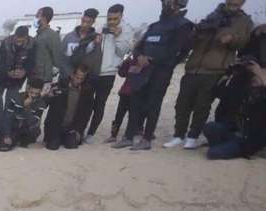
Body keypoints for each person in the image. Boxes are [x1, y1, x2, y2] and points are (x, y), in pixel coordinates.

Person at [166, 0, 253, 149]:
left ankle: (193, 136)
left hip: (215, 70)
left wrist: (231, 39)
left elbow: (243, 43)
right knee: (182, 104)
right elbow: (193, 40)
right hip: (193, 67)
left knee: (202, 105)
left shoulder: (244, 21)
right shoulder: (213, 15)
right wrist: (196, 33)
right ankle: (178, 135)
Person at [114, 0, 194, 151]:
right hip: (142, 70)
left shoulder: (184, 25)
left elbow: (177, 51)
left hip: (161, 72)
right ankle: (128, 137)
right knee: (135, 103)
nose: (167, 5)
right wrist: (139, 57)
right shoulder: (154, 26)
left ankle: (146, 139)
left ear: (179, 5)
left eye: (171, 3)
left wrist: (155, 61)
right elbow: (138, 47)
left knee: (153, 105)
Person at [86, 4, 134, 143]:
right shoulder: (102, 26)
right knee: (86, 102)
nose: (111, 21)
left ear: (121, 16)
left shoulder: (127, 30)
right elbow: (91, 47)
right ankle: (80, 129)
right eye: (109, 18)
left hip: (108, 73)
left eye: (115, 18)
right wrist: (95, 42)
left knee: (99, 104)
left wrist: (116, 36)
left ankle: (91, 133)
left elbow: (121, 52)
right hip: (93, 70)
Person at [203, 58, 266, 159]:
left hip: (246, 138)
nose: (255, 78)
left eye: (258, 76)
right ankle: (226, 146)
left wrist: (261, 75)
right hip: (232, 132)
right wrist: (229, 74)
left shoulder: (262, 95)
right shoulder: (242, 89)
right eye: (253, 75)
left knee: (213, 153)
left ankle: (231, 148)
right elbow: (218, 92)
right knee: (210, 127)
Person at [44, 65, 95, 149]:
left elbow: (86, 114)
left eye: (81, 79)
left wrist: (79, 130)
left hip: (72, 127)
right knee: (52, 146)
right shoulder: (60, 86)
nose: (78, 80)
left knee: (72, 145)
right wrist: (48, 95)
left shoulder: (87, 92)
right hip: (55, 125)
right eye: (77, 77)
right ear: (72, 75)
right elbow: (44, 105)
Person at [0, 26, 36, 111]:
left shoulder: (32, 44)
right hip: (1, 77)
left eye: (21, 41)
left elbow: (31, 62)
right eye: (17, 40)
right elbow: (0, 63)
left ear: (26, 37)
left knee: (10, 104)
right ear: (14, 36)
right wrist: (8, 72)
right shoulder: (6, 42)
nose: (18, 43)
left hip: (17, 80)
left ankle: (5, 122)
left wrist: (24, 72)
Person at [0, 78, 47, 150]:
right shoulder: (16, 98)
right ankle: (13, 139)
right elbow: (7, 118)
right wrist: (7, 135)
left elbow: (33, 121)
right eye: (31, 92)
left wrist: (26, 107)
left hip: (26, 128)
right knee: (4, 146)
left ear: (40, 91)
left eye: (36, 93)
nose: (33, 95)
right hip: (14, 127)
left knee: (36, 131)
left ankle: (22, 141)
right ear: (28, 88)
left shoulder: (41, 103)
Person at [32, 7, 72, 83]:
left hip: (44, 78)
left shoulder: (52, 35)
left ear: (44, 17)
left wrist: (52, 75)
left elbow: (57, 58)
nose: (35, 17)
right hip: (34, 76)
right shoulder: (38, 35)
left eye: (37, 15)